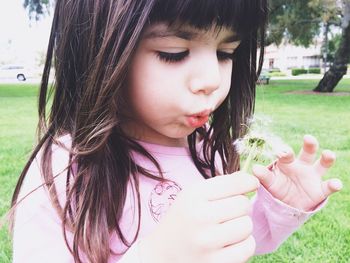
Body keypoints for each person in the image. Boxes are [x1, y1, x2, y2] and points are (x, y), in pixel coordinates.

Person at [9, 0, 343, 262]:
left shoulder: (207, 149)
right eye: (175, 53)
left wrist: (282, 207)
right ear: (99, 49)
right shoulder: (63, 172)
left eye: (226, 53)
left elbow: (233, 237)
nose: (211, 79)